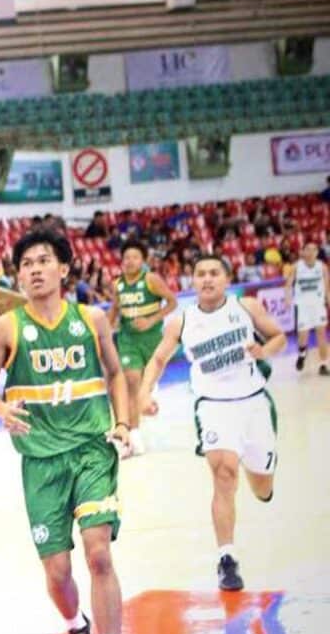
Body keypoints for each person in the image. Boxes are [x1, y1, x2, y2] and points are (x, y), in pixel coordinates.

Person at [0, 227, 137, 634]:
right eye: (26, 264)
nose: (35, 270)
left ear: (64, 269)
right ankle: (76, 627)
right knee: (58, 571)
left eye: (44, 261)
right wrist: (0, 409)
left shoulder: (91, 320)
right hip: (40, 462)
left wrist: (124, 422)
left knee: (98, 553)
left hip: (91, 449)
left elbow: (114, 373)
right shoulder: (6, 328)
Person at [138, 255, 286, 591]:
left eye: (214, 273)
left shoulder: (246, 307)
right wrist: (144, 394)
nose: (207, 279)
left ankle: (258, 471)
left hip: (254, 403)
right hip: (213, 406)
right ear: (192, 281)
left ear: (226, 278)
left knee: (262, 488)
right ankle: (227, 558)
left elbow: (277, 337)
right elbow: (159, 358)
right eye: (200, 274)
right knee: (224, 474)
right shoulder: (182, 321)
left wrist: (266, 351)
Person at [107, 240, 178, 456]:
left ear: (143, 260)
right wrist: (107, 329)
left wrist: (151, 320)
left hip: (152, 339)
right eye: (126, 257)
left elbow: (172, 302)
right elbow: (116, 308)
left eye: (135, 257)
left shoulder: (151, 280)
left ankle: (147, 394)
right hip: (128, 339)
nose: (130, 261)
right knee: (130, 384)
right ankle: (132, 436)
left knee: (144, 386)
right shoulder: (117, 283)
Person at [284, 241, 329, 375]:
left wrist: (328, 299)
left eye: (314, 250)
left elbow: (327, 286)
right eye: (308, 249)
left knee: (322, 334)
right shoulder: (296, 267)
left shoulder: (322, 267)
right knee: (303, 337)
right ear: (303, 252)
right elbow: (288, 285)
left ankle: (323, 365)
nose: (311, 252)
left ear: (317, 252)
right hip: (302, 306)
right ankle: (302, 353)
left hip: (318, 305)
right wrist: (287, 298)